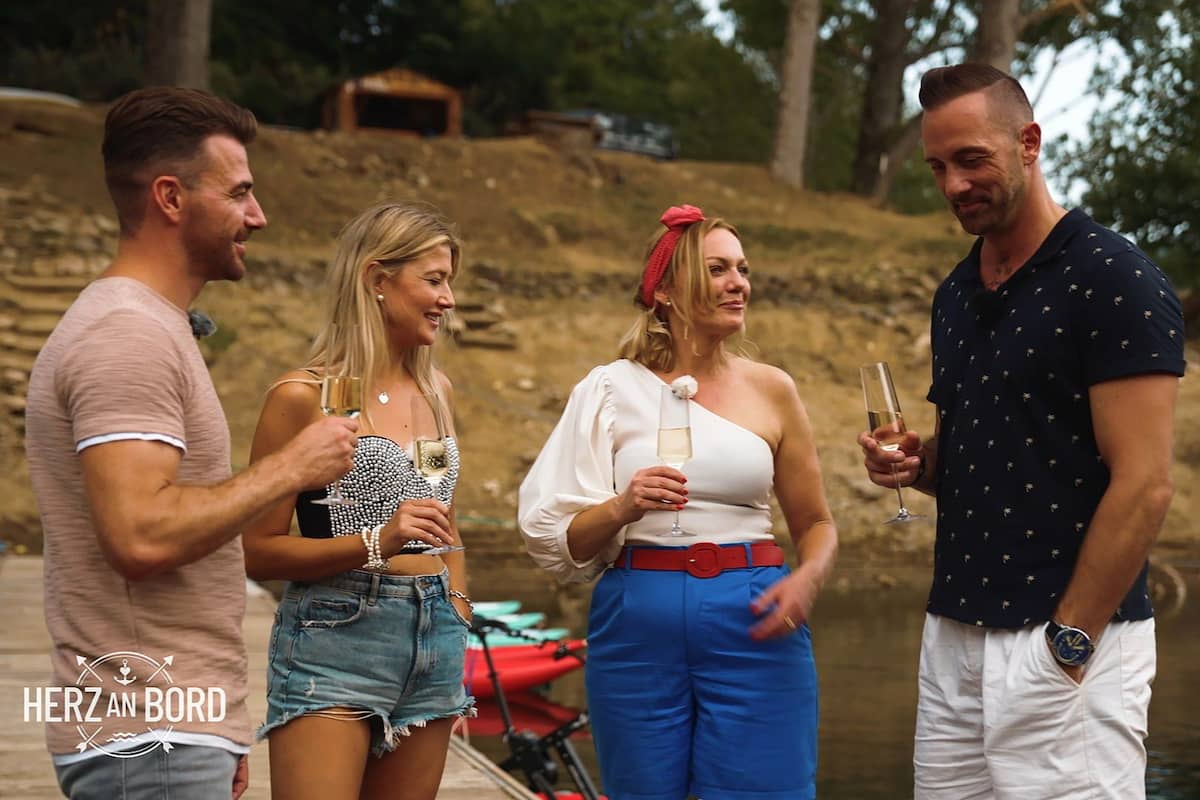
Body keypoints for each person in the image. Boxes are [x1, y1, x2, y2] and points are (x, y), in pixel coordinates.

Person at [858, 63, 1186, 799]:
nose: (952, 185)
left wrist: (1068, 647)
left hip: (1070, 643)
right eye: (937, 166)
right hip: (953, 639)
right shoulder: (957, 291)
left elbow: (1145, 485)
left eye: (972, 159)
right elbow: (984, 458)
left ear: (1029, 142)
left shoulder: (1114, 276)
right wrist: (920, 465)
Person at [23, 87, 358, 799]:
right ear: (170, 198)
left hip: (168, 732)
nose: (258, 216)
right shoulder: (127, 336)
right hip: (148, 736)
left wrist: (219, 726)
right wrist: (289, 467)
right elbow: (141, 536)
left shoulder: (149, 324)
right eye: (239, 193)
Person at [519, 204, 838, 800]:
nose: (738, 283)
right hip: (639, 616)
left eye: (741, 269)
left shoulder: (773, 388)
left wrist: (809, 579)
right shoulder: (610, 389)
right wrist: (621, 507)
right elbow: (557, 540)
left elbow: (816, 522)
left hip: (755, 612)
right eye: (717, 269)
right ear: (664, 291)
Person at [243, 202, 473, 800]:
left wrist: (460, 617)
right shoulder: (302, 396)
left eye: (449, 280)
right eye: (434, 279)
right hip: (337, 634)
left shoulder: (436, 389)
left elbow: (448, 521)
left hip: (436, 637)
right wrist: (378, 540)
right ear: (376, 280)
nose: (448, 298)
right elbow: (257, 552)